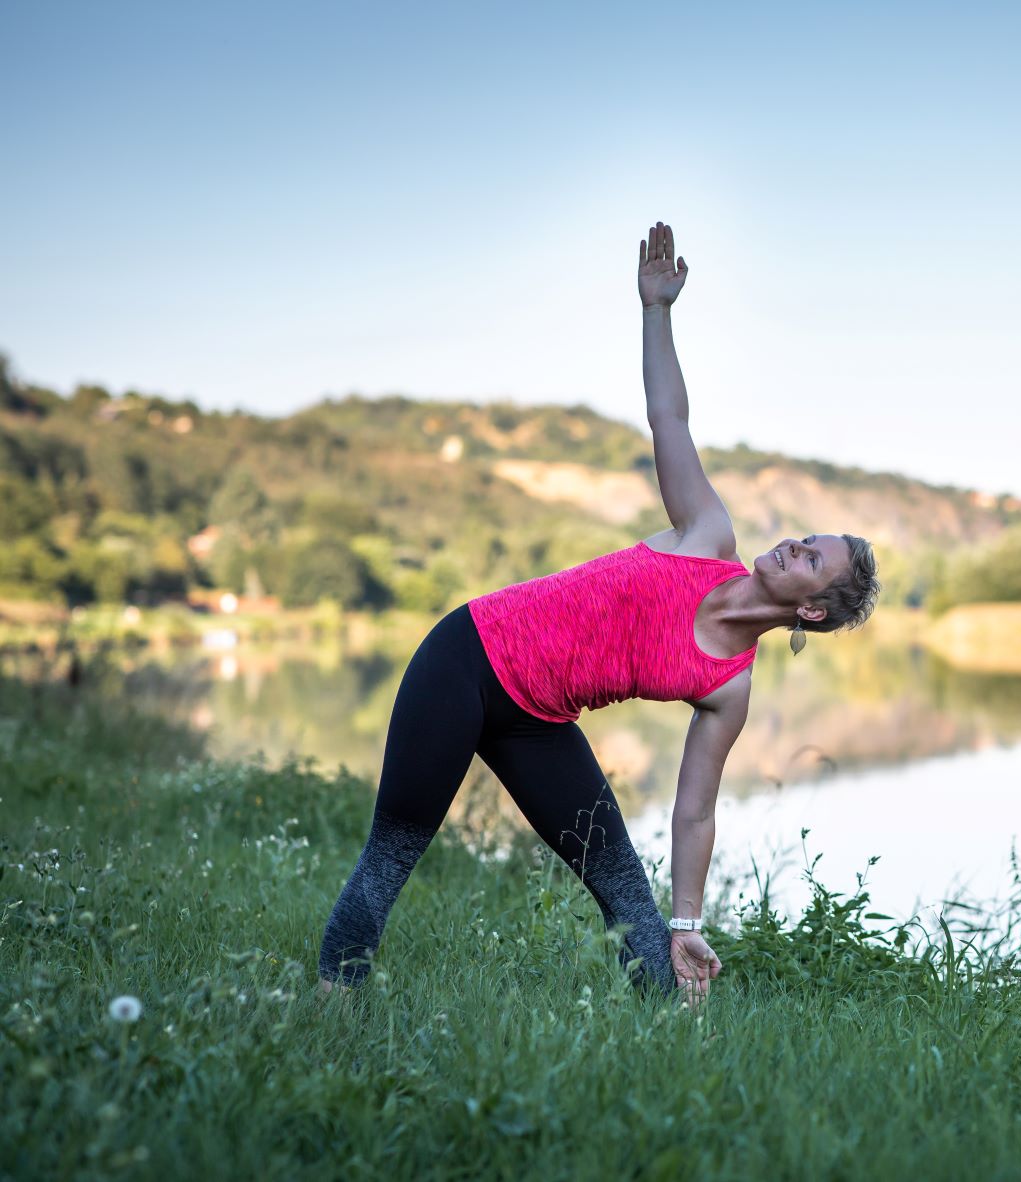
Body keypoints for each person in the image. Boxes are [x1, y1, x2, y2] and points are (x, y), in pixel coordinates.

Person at [316, 222, 880, 1002]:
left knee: (628, 895)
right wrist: (657, 311)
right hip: (466, 658)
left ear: (812, 612)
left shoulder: (729, 687)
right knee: (394, 851)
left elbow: (692, 814)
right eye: (804, 538)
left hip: (536, 720)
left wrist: (688, 922)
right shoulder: (705, 535)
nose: (792, 544)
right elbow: (669, 420)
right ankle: (326, 1013)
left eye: (810, 559)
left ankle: (670, 1038)